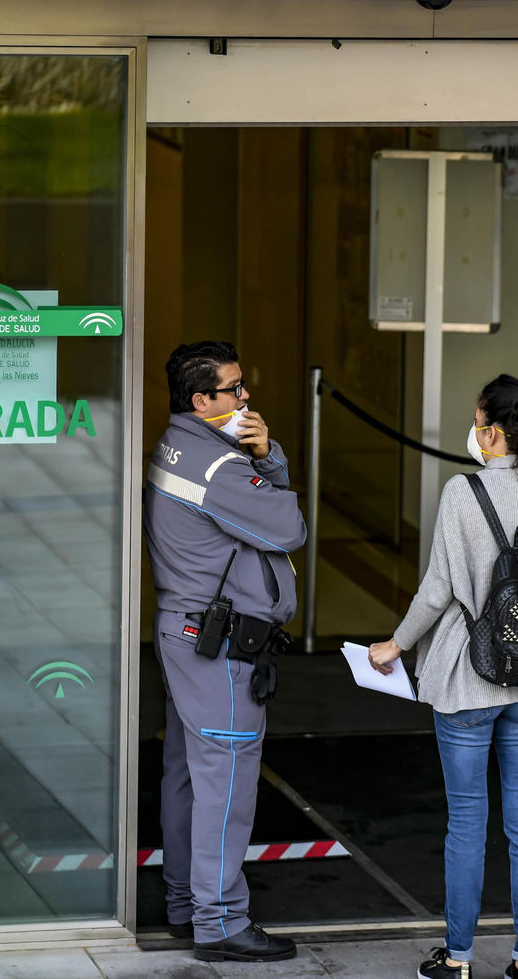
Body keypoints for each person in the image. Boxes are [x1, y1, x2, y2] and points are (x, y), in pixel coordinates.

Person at [367, 375, 518, 979]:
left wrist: (396, 644)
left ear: (493, 430)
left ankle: (459, 959)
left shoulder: (463, 493)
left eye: (477, 420)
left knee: (466, 820)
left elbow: (438, 589)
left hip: (469, 676)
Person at [143, 340, 306, 964]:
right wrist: (273, 460)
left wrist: (254, 455)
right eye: (234, 389)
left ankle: (187, 904)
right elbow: (287, 527)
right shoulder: (218, 466)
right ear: (200, 399)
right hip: (218, 645)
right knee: (228, 784)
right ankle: (220, 923)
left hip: (186, 635)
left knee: (188, 775)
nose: (246, 399)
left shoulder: (178, 445)